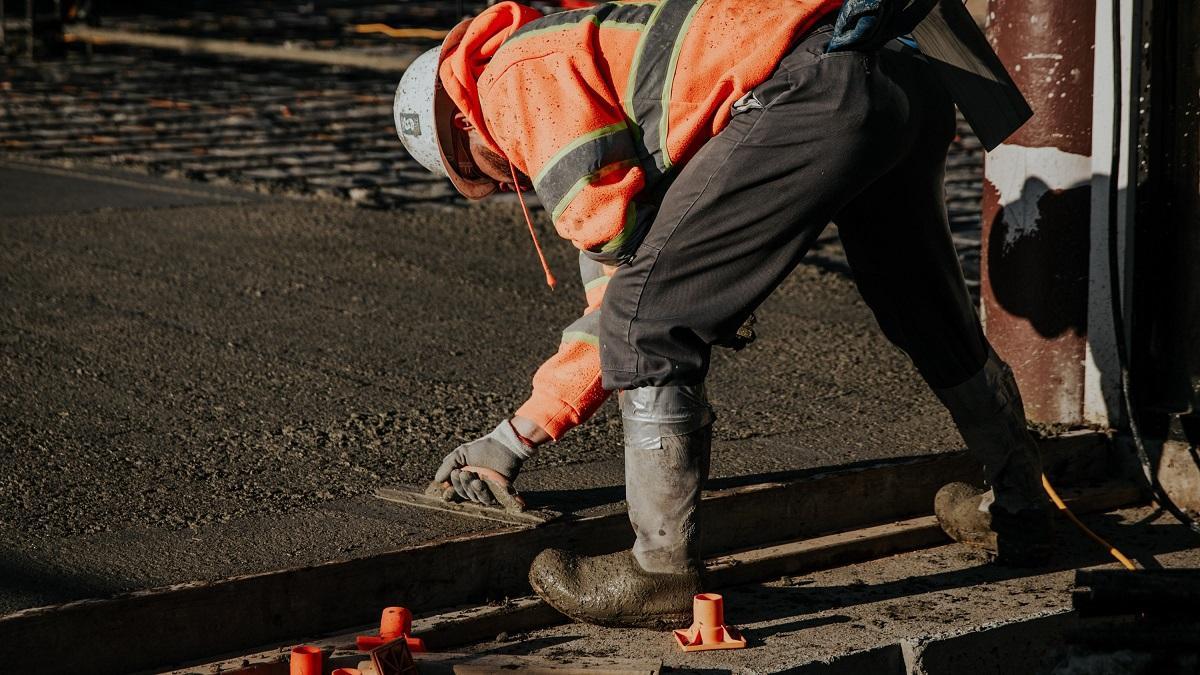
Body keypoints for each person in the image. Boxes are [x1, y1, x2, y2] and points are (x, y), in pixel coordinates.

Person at [392, 0, 1054, 628]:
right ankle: (1023, 501)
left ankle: (659, 570)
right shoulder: (579, 50)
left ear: (462, 125)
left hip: (816, 85)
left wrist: (510, 440)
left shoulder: (514, 84)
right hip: (897, 73)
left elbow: (625, 300)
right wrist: (517, 436)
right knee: (922, 306)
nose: (513, 180)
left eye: (487, 172)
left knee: (646, 320)